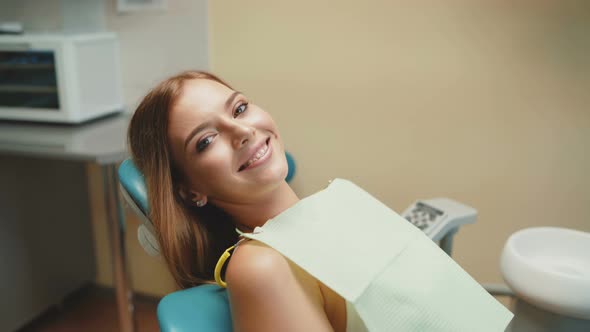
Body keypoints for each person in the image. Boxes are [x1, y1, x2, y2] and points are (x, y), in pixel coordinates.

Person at [127, 71, 351, 331]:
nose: (243, 131)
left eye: (239, 109)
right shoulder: (260, 267)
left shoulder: (338, 202)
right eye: (206, 141)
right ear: (190, 191)